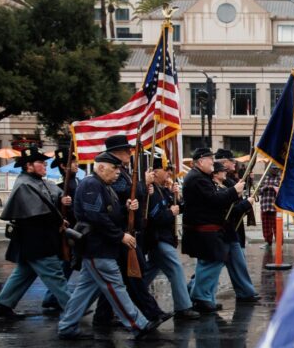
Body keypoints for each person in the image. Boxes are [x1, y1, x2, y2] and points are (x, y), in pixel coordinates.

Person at [58, 152, 163, 340]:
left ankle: (67, 326)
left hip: (99, 247)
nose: (117, 172)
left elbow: (108, 213)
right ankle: (137, 324)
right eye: (114, 168)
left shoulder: (103, 186)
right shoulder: (92, 185)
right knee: (115, 286)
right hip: (98, 247)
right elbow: (96, 217)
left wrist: (125, 208)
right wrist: (120, 235)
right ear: (100, 167)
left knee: (84, 291)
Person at [92, 135, 170, 327]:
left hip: (128, 229)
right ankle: (151, 313)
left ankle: (102, 316)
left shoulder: (123, 170)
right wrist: (143, 184)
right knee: (132, 275)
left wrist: (145, 189)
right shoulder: (115, 173)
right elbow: (123, 194)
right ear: (115, 153)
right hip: (121, 230)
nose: (129, 153)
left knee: (124, 278)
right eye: (126, 150)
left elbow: (130, 195)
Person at [0, 145, 71, 319]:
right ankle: (73, 308)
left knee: (24, 273)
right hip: (36, 239)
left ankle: (3, 305)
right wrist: (58, 220)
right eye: (40, 162)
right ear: (28, 165)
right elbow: (37, 214)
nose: (44, 165)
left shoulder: (37, 181)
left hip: (37, 239)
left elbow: (52, 200)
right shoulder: (24, 184)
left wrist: (62, 200)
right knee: (55, 274)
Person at [182, 148, 245, 313]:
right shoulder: (197, 178)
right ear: (201, 161)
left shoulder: (200, 177)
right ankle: (201, 297)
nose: (213, 162)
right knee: (212, 262)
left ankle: (203, 296)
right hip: (204, 230)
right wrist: (234, 191)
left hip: (208, 229)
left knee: (210, 262)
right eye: (210, 158)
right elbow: (214, 200)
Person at [142, 157, 200, 320]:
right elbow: (154, 217)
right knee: (176, 268)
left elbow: (178, 207)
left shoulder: (162, 189)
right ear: (155, 171)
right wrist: (171, 212)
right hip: (158, 237)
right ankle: (183, 306)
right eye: (165, 170)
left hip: (164, 237)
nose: (168, 173)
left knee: (148, 272)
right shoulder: (151, 191)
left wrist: (177, 196)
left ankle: (133, 293)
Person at [213, 161, 261, 304]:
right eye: (222, 170)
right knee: (213, 267)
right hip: (222, 232)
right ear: (215, 174)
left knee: (238, 263)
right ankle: (196, 292)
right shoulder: (216, 189)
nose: (225, 172)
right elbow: (229, 211)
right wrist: (246, 203)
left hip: (231, 232)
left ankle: (246, 292)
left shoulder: (225, 185)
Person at [42, 146, 81, 311]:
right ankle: (52, 297)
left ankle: (51, 297)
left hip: (77, 229)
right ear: (63, 166)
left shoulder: (78, 182)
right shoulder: (59, 187)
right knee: (67, 264)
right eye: (72, 162)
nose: (76, 164)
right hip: (69, 231)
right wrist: (61, 203)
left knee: (68, 265)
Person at [257, 165, 281, 247]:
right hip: (264, 205)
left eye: (276, 169)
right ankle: (268, 242)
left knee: (277, 226)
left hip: (275, 206)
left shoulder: (280, 178)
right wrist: (269, 187)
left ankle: (279, 244)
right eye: (274, 169)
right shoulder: (264, 177)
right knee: (266, 225)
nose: (275, 170)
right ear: (270, 169)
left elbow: (282, 190)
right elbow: (258, 191)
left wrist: (274, 188)